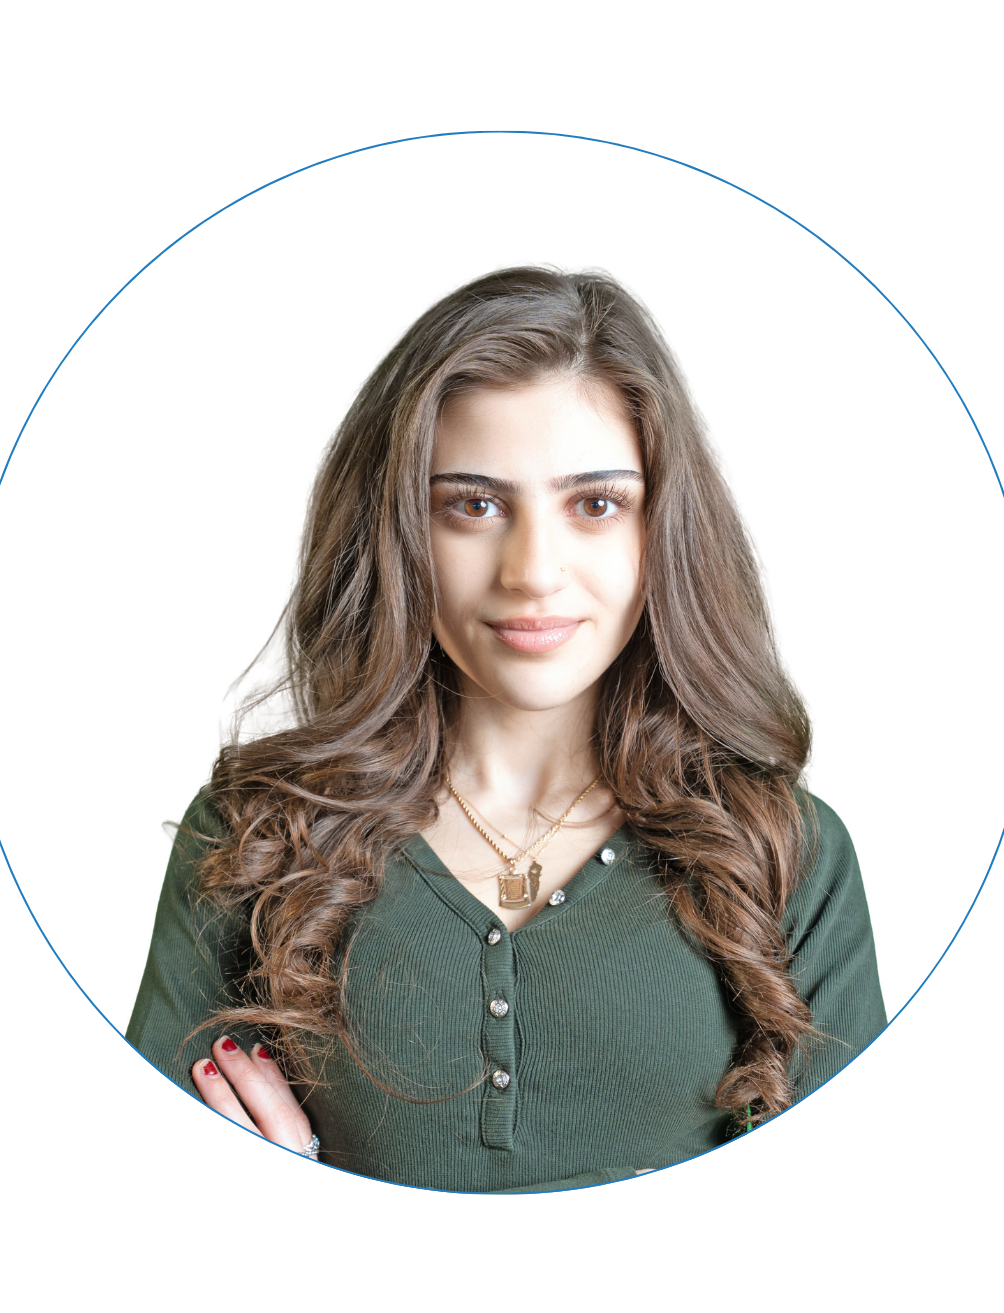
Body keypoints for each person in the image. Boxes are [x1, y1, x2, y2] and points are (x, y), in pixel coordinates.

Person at [126, 266, 885, 1193]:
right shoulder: (256, 835)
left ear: (663, 532)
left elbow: (855, 1242)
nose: (533, 571)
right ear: (401, 529)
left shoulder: (786, 852)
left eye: (595, 505)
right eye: (474, 505)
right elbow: (143, 1225)